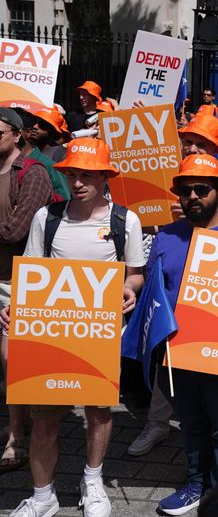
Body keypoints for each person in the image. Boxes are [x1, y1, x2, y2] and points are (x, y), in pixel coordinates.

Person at [5, 137, 144, 517]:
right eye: (71, 174)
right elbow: (33, 275)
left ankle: (93, 480)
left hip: (100, 332)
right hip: (51, 333)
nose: (78, 182)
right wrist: (17, 308)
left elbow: (135, 274)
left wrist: (129, 291)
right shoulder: (46, 218)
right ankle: (42, 495)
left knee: (99, 411)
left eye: (87, 175)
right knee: (45, 414)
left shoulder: (124, 220)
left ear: (104, 177)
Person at [148, 154, 218, 515]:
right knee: (191, 424)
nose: (192, 196)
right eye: (185, 190)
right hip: (177, 352)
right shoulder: (165, 236)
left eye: (201, 189)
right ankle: (196, 483)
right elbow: (154, 291)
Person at [0, 108, 52, 474]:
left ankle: (17, 436)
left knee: (11, 363)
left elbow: (16, 231)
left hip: (14, 283)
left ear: (17, 135)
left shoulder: (32, 174)